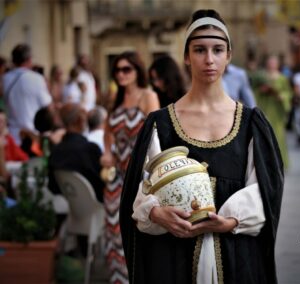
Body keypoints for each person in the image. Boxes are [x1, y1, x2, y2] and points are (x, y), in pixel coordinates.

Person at [120, 9, 284, 284]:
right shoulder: (161, 124)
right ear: (186, 56)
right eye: (199, 50)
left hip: (236, 259)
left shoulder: (250, 123)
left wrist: (231, 221)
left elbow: (265, 192)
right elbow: (140, 193)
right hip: (173, 259)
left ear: (229, 55)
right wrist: (157, 213)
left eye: (218, 49)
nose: (209, 59)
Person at [100, 51, 159, 283]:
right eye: (117, 70)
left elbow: (156, 135)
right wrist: (106, 152)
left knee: (140, 229)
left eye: (127, 69)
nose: (121, 74)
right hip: (117, 175)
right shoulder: (114, 99)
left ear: (137, 71)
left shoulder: (148, 96)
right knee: (114, 231)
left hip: (140, 175)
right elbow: (107, 133)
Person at [48, 103, 104, 203]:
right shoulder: (90, 149)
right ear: (80, 121)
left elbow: (52, 187)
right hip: (94, 207)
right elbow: (101, 184)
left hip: (66, 207)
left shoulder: (56, 151)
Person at [2, 44, 52, 145]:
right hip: (32, 136)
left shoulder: (4, 78)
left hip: (13, 136)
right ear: (29, 59)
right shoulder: (37, 78)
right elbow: (48, 106)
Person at [251, 55, 292, 168]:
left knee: (278, 135)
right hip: (264, 107)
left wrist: (283, 96)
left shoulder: (282, 78)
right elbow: (252, 91)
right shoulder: (261, 76)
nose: (272, 64)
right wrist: (260, 90)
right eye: (270, 62)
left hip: (277, 111)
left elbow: (288, 93)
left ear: (278, 64)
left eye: (274, 62)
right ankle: (265, 164)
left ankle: (279, 162)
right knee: (263, 134)